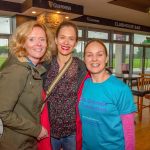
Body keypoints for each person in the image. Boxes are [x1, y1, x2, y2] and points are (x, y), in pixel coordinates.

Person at [0, 20, 55, 150]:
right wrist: (36, 129)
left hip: (27, 142)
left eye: (42, 39)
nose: (38, 44)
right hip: (14, 144)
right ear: (22, 43)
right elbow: (3, 113)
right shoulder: (17, 70)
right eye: (31, 39)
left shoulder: (33, 68)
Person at [78, 39, 137, 150]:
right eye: (89, 55)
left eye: (99, 54)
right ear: (84, 59)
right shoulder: (84, 84)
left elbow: (129, 131)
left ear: (107, 59)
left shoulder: (121, 89)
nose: (94, 59)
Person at [38, 21, 87, 150]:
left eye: (71, 39)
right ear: (56, 39)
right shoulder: (44, 66)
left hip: (72, 131)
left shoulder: (82, 68)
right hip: (48, 130)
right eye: (62, 37)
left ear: (75, 43)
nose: (66, 42)